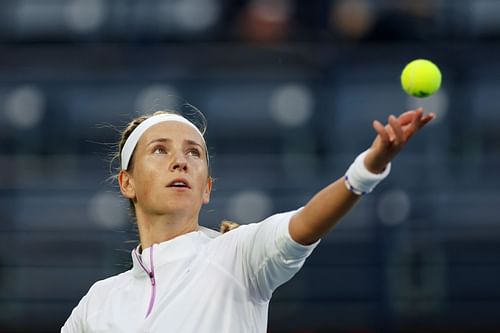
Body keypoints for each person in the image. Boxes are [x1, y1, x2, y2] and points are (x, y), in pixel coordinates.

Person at [61, 107, 435, 332]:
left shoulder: (237, 257)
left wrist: (368, 168)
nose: (180, 161)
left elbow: (305, 224)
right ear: (127, 182)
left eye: (194, 153)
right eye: (160, 150)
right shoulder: (98, 303)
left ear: (206, 188)